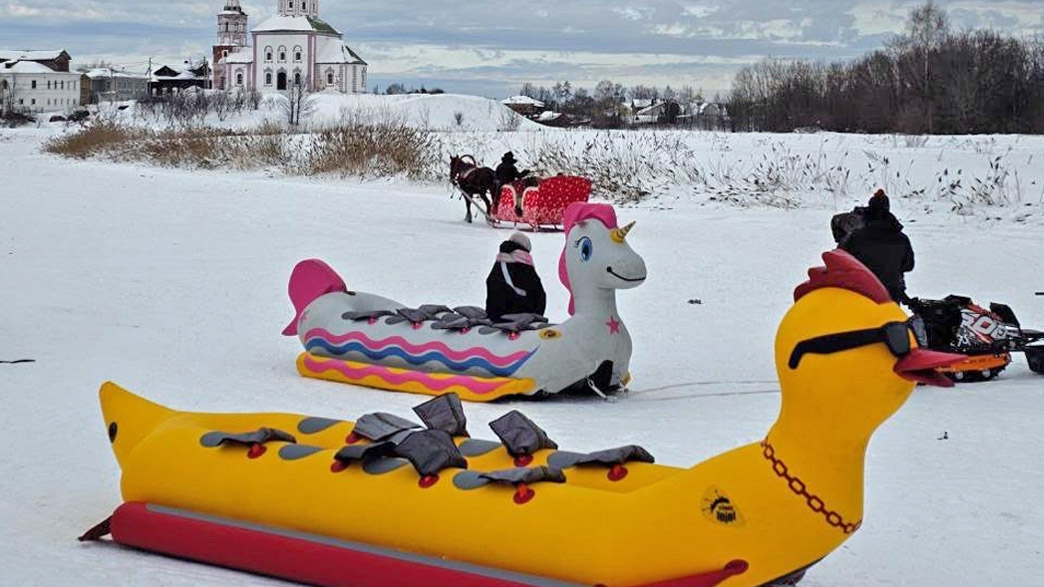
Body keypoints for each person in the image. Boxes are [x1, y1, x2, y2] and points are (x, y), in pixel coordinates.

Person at [840, 190, 915, 304]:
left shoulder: (856, 237)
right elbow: (908, 265)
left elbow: (841, 259)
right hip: (891, 294)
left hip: (862, 292)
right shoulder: (902, 238)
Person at [485, 232, 546, 322]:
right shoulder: (524, 263)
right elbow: (538, 293)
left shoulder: (501, 262)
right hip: (519, 315)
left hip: (494, 315)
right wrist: (537, 316)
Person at [494, 152, 529, 217]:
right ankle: (519, 209)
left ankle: (495, 209)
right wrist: (525, 172)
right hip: (510, 185)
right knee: (519, 194)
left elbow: (496, 176)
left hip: (500, 186)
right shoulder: (512, 167)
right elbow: (519, 176)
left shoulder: (499, 166)